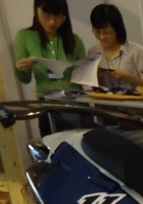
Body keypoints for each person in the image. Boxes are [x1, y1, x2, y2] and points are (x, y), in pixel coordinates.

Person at [14, 0, 86, 135]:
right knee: (52, 144)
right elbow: (25, 79)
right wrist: (21, 69)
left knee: (80, 143)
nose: (52, 22)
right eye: (47, 16)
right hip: (47, 104)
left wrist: (90, 72)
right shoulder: (25, 37)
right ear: (37, 11)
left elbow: (84, 76)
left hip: (75, 103)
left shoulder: (74, 40)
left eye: (58, 17)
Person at [87, 4, 143, 92]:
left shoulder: (136, 51)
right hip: (104, 100)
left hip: (133, 100)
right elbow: (93, 88)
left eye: (107, 33)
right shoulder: (93, 52)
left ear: (118, 30)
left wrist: (128, 77)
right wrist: (96, 76)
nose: (102, 37)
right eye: (97, 32)